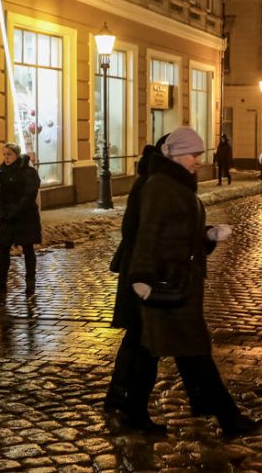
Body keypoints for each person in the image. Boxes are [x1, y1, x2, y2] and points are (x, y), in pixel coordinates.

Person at [127, 127, 262, 438]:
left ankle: (135, 410)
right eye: (193, 155)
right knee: (191, 352)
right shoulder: (160, 186)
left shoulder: (177, 183)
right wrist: (142, 278)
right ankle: (229, 419)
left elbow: (180, 232)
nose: (199, 161)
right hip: (166, 283)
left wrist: (208, 235)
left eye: (200, 155)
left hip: (179, 283)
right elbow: (148, 234)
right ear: (174, 156)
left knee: (155, 352)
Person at [104, 139, 165, 420]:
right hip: (144, 274)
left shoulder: (150, 179)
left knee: (137, 337)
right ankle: (133, 407)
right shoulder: (154, 184)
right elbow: (144, 231)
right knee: (145, 340)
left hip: (139, 271)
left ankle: (119, 396)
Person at [0, 143, 42, 296]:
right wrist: (1, 212)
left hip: (25, 216)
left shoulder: (28, 172)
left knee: (27, 249)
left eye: (9, 154)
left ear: (16, 155)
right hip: (7, 217)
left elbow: (29, 195)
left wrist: (16, 211)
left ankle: (30, 283)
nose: (6, 157)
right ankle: (0, 282)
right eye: (4, 154)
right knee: (3, 249)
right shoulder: (2, 171)